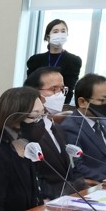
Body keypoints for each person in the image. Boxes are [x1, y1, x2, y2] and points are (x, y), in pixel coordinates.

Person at [24, 66, 82, 197]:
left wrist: (80, 187)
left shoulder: (59, 128)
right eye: (54, 89)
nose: (60, 95)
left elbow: (68, 171)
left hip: (67, 198)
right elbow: (33, 179)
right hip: (44, 200)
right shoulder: (26, 132)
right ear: (33, 93)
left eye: (62, 89)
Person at [59, 74, 106, 182]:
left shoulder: (101, 121)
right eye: (102, 101)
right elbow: (78, 167)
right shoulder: (70, 127)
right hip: (99, 182)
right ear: (82, 102)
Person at [25, 19, 82, 104]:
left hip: (60, 103)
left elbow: (69, 88)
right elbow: (30, 87)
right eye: (55, 31)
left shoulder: (73, 60)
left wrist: (61, 106)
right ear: (48, 36)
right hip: (36, 102)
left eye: (63, 31)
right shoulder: (35, 60)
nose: (60, 34)